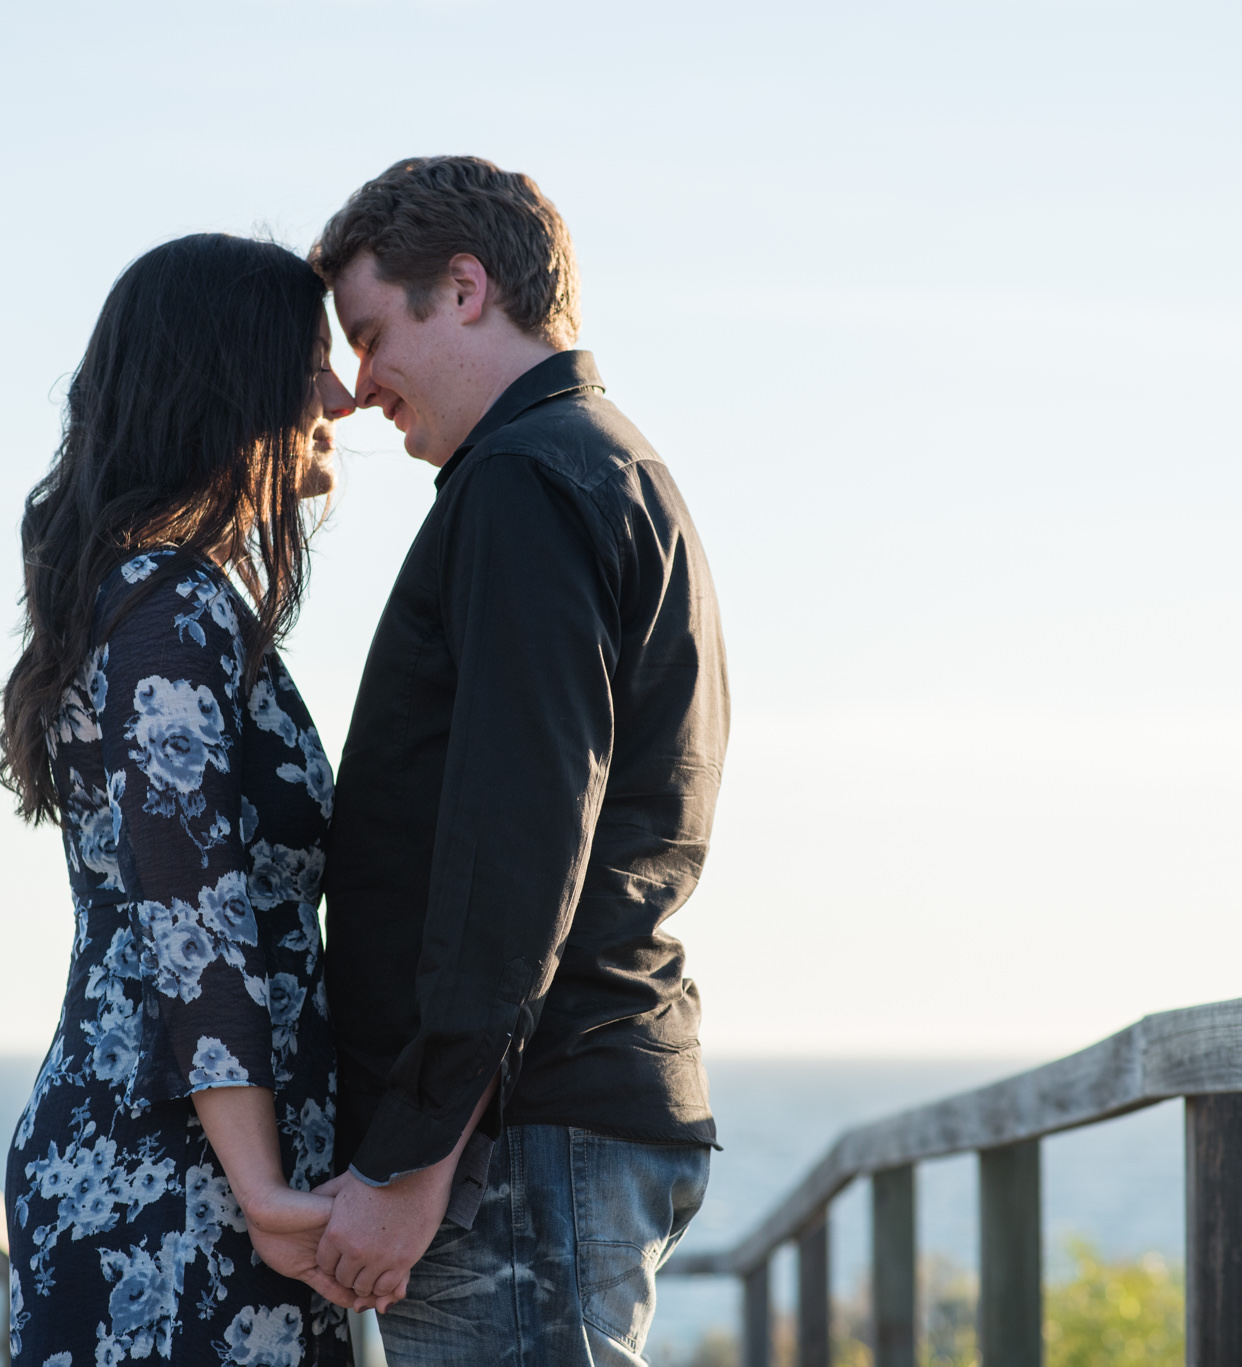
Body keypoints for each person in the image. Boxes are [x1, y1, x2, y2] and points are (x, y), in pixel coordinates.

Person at [308, 157, 731, 1366]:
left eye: (370, 333)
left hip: (517, 1136)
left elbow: (517, 842)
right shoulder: (600, 461)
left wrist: (412, 1157)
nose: (355, 387)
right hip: (554, 1114)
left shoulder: (523, 480)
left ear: (463, 286)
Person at [0, 233, 361, 1367]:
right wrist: (262, 1186)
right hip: (178, 1188)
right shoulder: (168, 611)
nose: (342, 397)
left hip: (178, 1159)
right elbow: (190, 912)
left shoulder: (154, 597)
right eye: (310, 367)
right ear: (229, 385)